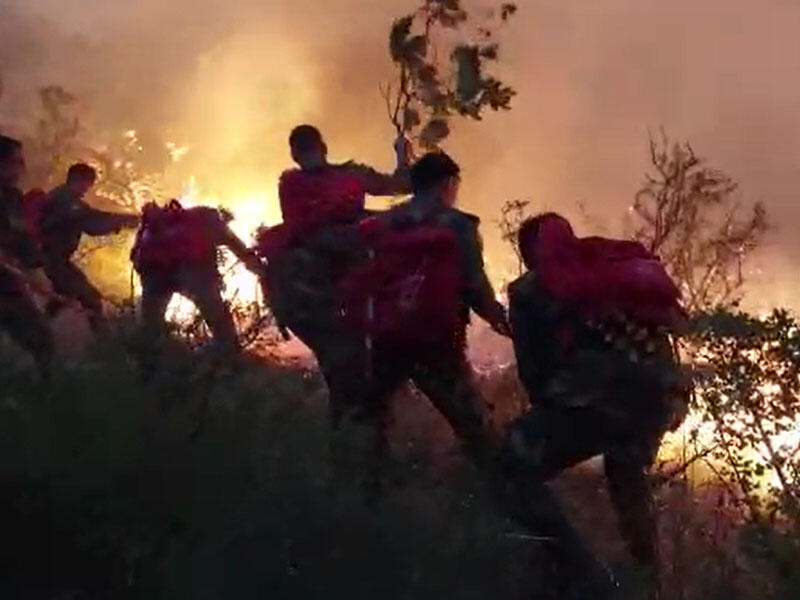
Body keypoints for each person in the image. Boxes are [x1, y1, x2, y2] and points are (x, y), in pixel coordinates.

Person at [497, 213, 688, 597]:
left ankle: (577, 573)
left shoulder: (530, 291)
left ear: (528, 252)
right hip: (659, 397)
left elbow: (535, 376)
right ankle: (649, 585)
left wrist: (556, 409)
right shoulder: (612, 270)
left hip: (593, 401)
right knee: (627, 480)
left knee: (508, 466)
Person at [337, 152, 511, 496]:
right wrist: (500, 319)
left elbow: (361, 274)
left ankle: (366, 489)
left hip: (388, 335)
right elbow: (474, 283)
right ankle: (502, 496)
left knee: (376, 415)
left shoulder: (384, 223)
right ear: (447, 184)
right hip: (437, 338)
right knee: (472, 423)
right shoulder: (458, 225)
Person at [132, 200, 263, 362]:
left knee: (150, 328)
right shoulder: (209, 220)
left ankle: (150, 364)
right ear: (224, 217)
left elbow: (136, 257)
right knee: (222, 331)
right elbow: (237, 247)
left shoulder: (157, 225)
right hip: (190, 272)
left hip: (153, 273)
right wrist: (260, 269)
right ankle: (228, 361)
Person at [39, 163, 139, 331]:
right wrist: (123, 221)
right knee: (91, 299)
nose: (88, 189)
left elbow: (93, 217)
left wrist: (123, 220)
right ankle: (104, 345)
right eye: (88, 183)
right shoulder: (66, 201)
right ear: (78, 180)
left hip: (54, 260)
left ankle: (40, 331)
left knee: (61, 297)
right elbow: (93, 223)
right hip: (53, 261)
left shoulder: (66, 199)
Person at [0, 135, 54, 377]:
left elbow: (22, 240)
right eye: (15, 161)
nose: (22, 167)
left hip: (7, 284)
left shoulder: (12, 198)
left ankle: (49, 400)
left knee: (42, 339)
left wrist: (36, 271)